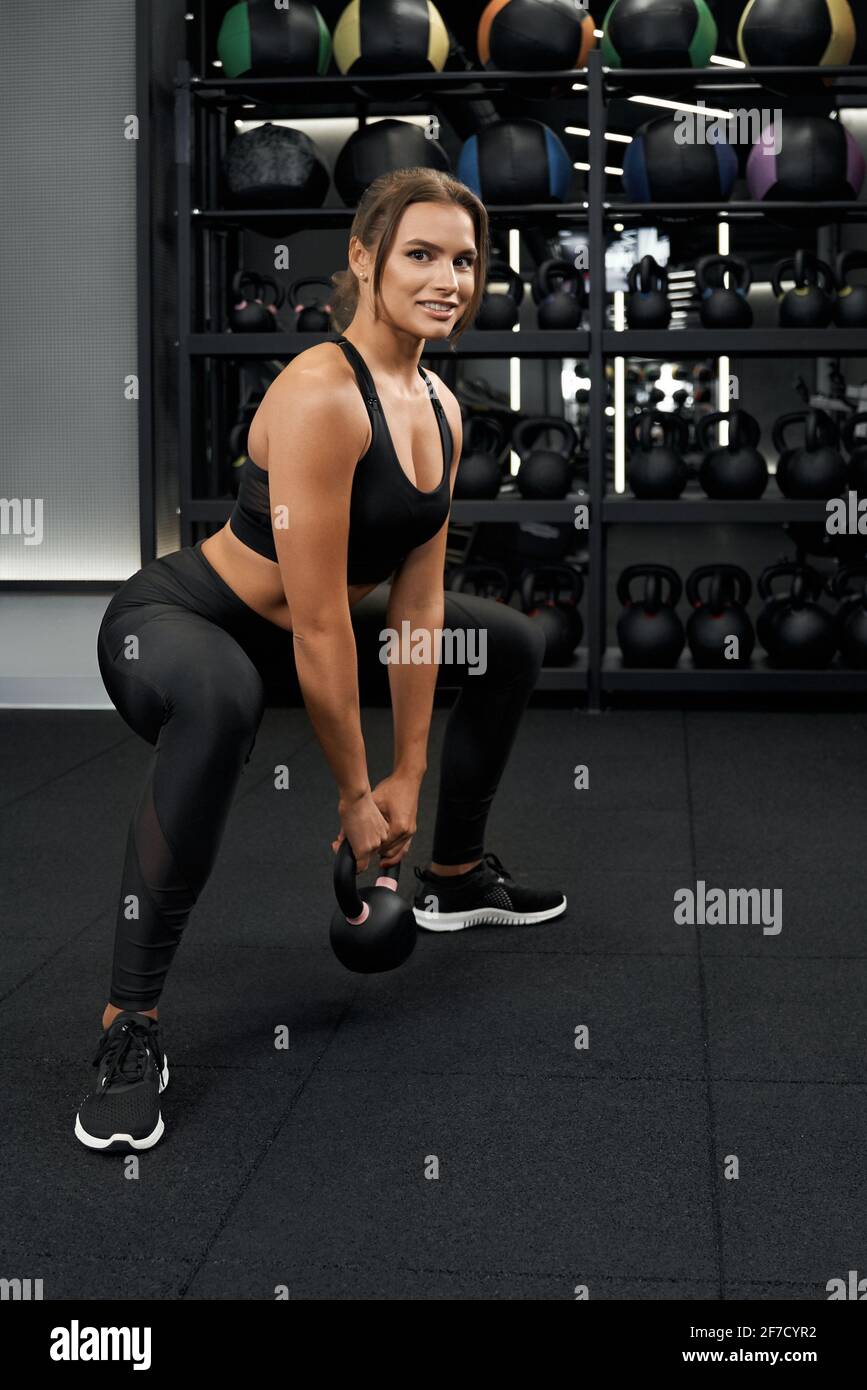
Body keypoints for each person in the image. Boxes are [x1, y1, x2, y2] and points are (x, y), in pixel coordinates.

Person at [75, 167, 567, 1154]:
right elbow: (316, 627)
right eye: (421, 254)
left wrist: (408, 779)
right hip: (189, 621)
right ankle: (129, 1024)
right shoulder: (318, 395)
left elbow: (419, 605)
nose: (449, 279)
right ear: (362, 259)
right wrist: (354, 798)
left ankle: (458, 875)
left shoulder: (439, 404)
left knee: (504, 640)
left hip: (318, 620)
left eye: (465, 260)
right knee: (221, 700)